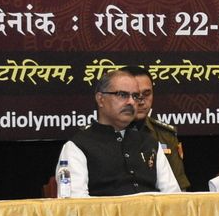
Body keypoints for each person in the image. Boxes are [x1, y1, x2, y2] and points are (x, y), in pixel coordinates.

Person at [56, 68, 182, 197]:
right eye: (122, 95)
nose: (131, 102)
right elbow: (75, 202)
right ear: (100, 99)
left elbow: (174, 196)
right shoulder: (78, 146)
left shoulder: (150, 143)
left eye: (135, 96)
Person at [120, 64, 191, 191]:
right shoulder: (100, 135)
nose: (141, 101)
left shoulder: (165, 135)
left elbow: (179, 189)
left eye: (146, 94)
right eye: (135, 95)